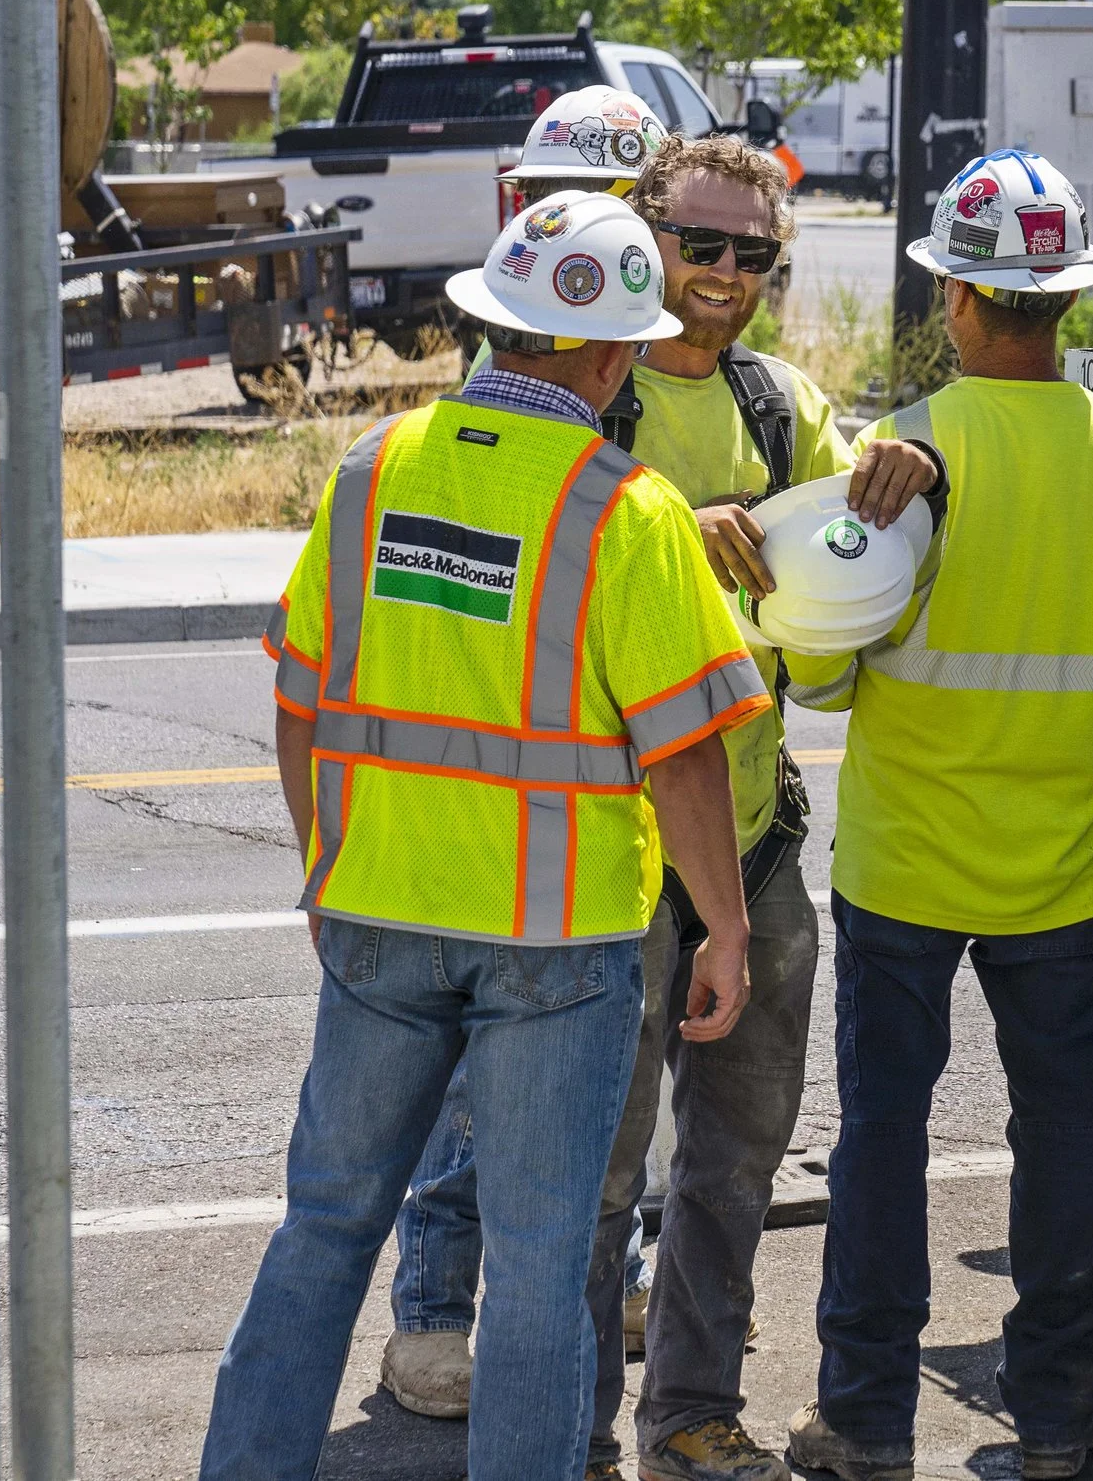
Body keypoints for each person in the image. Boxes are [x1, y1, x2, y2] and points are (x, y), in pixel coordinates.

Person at [201, 189, 771, 1481]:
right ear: (617, 355)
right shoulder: (626, 511)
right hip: (553, 939)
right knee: (534, 1264)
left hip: (380, 916)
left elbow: (300, 697)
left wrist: (322, 864)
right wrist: (723, 927)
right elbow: (684, 754)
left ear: (494, 323)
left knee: (326, 1226)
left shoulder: (372, 470)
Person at [778, 150, 1093, 1481]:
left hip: (905, 867)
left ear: (960, 297)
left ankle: (865, 1417)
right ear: (1071, 300)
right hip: (1065, 871)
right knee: (1055, 1144)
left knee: (881, 1138)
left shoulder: (892, 460)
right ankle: (1052, 1416)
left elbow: (818, 666)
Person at [580, 134, 942, 1481]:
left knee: (733, 1164)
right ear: (645, 227)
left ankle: (688, 1415)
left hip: (749, 834)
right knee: (597, 1179)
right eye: (701, 242)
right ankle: (569, 1429)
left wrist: (913, 477)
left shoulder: (782, 403)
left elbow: (857, 539)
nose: (725, 273)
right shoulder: (586, 391)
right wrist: (685, 525)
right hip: (602, 850)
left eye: (752, 253)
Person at [382, 80, 672, 1423]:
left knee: (611, 1090)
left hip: (590, 824)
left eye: (625, 206)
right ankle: (439, 1313)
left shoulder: (679, 379)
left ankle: (592, 1285)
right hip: (488, 830)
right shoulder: (481, 411)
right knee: (466, 1103)